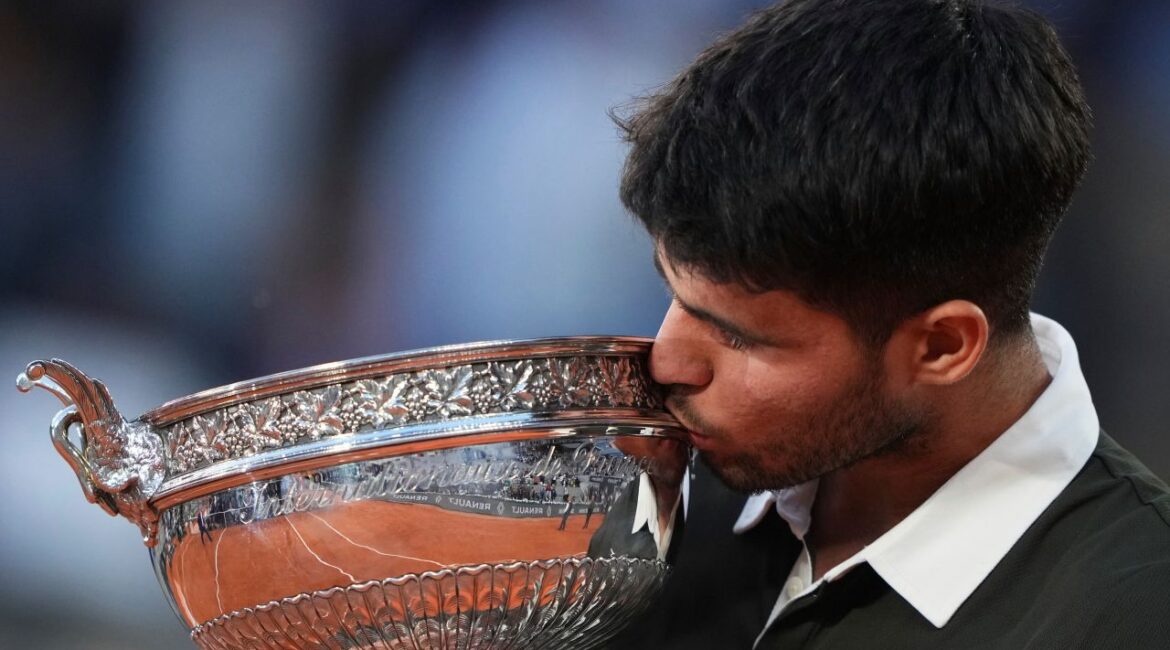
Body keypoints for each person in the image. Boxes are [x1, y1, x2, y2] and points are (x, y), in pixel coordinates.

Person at [604, 0, 1170, 648]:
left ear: (942, 346)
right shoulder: (682, 491)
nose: (665, 362)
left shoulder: (1138, 613)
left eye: (739, 335)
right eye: (674, 294)